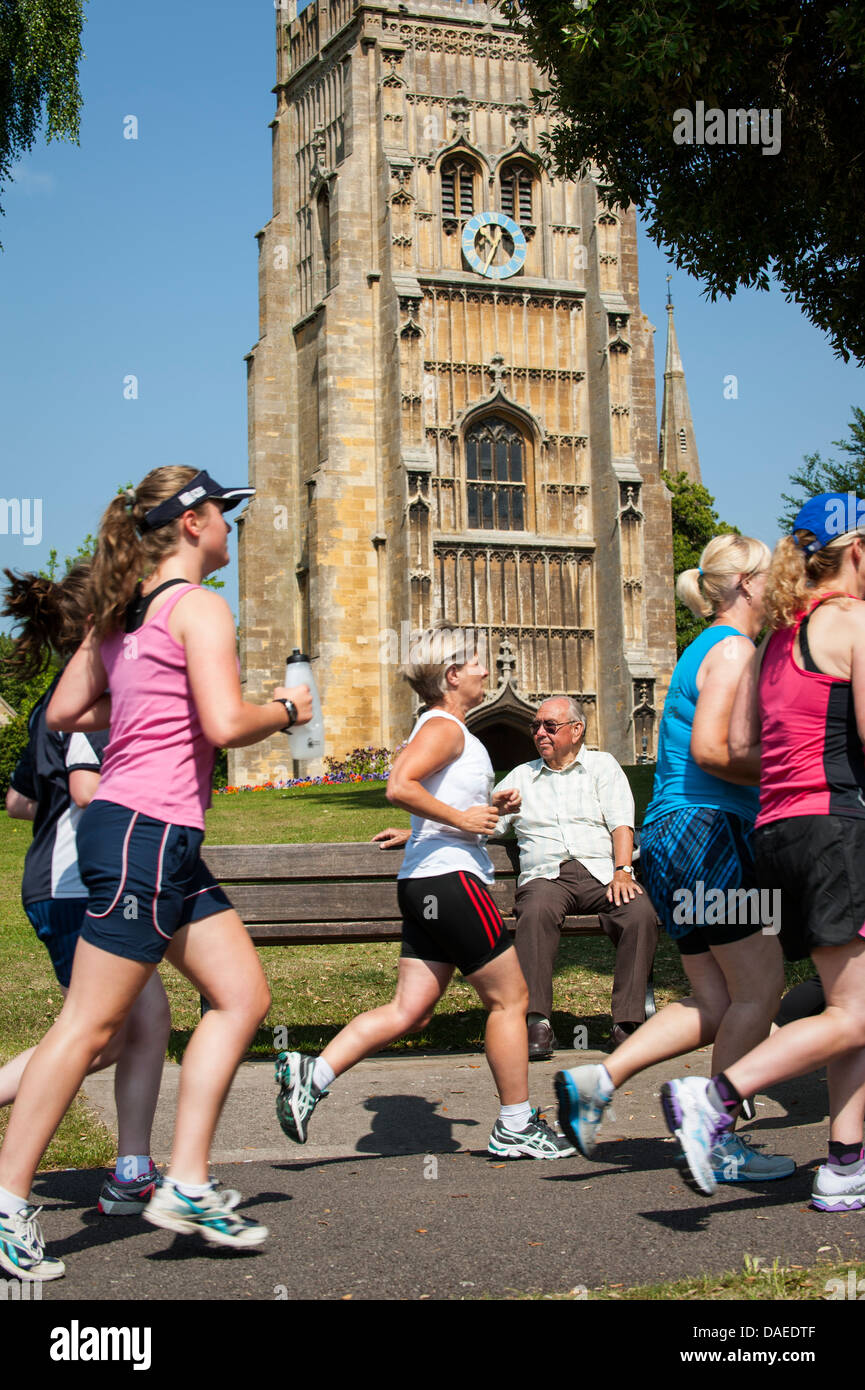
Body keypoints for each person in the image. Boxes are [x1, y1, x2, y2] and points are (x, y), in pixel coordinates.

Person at [0, 467, 313, 1282]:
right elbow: (224, 723)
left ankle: (185, 1181)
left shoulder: (124, 615)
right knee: (88, 1028)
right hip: (144, 831)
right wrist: (284, 710)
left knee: (242, 995)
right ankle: (6, 1205)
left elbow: (66, 712)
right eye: (224, 516)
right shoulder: (199, 607)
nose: (231, 529)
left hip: (156, 836)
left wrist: (142, 704)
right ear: (191, 523)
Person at [275, 622, 575, 1160]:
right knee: (512, 999)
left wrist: (453, 820)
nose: (487, 669)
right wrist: (459, 818)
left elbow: (424, 795)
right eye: (478, 662)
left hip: (424, 879)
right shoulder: (446, 728)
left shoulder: (442, 726)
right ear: (453, 674)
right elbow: (399, 785)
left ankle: (311, 1074)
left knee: (411, 1012)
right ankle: (514, 1124)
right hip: (453, 881)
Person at [556, 534, 795, 1186]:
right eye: (771, 576)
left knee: (715, 1001)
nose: (780, 587)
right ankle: (714, 1133)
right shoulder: (732, 649)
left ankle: (597, 1079)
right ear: (745, 581)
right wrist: (791, 766)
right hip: (708, 836)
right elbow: (716, 754)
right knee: (760, 987)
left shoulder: (705, 647)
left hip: (674, 837)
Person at [661, 496, 865, 1207]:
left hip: (775, 833)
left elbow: (743, 748)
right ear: (857, 553)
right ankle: (713, 1099)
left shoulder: (778, 640)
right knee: (854, 1013)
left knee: (851, 1004)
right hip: (834, 827)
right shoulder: (854, 625)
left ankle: (843, 1162)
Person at [2, 563, 170, 1217]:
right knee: (98, 1037)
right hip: (79, 886)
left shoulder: (56, 700)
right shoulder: (96, 695)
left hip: (63, 881)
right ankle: (108, 1173)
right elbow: (84, 789)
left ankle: (132, 1170)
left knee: (143, 1023)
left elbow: (19, 800)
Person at [492, 698, 659, 1058]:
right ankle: (537, 1022)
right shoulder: (521, 777)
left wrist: (622, 871)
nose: (539, 733)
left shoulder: (602, 766)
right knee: (535, 913)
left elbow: (621, 822)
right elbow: (483, 823)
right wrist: (423, 832)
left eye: (549, 726)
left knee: (639, 914)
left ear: (576, 730)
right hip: (546, 877)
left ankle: (627, 1023)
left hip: (602, 873)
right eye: (535, 726)